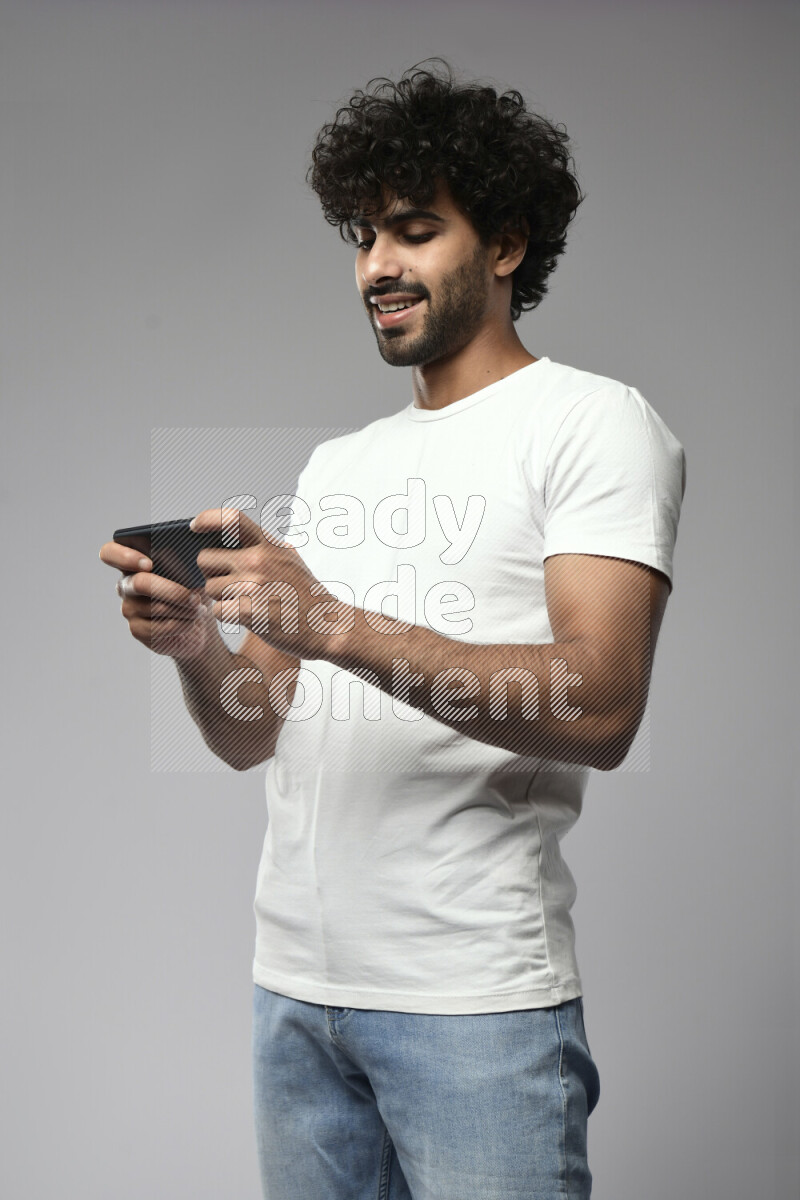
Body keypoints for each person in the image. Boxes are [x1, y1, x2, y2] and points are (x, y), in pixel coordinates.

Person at [100, 60, 686, 1200]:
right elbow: (247, 732)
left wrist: (328, 622)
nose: (375, 267)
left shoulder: (593, 425)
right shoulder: (340, 464)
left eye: (413, 232)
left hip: (470, 1008)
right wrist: (195, 649)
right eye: (363, 236)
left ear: (504, 245)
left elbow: (602, 702)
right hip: (294, 1000)